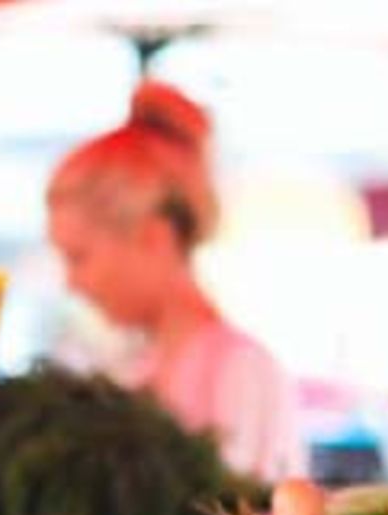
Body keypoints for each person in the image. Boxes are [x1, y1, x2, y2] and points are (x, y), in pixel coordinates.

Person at [45, 81, 304, 483]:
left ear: (154, 237)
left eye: (79, 258)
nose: (71, 283)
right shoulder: (132, 371)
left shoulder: (242, 371)